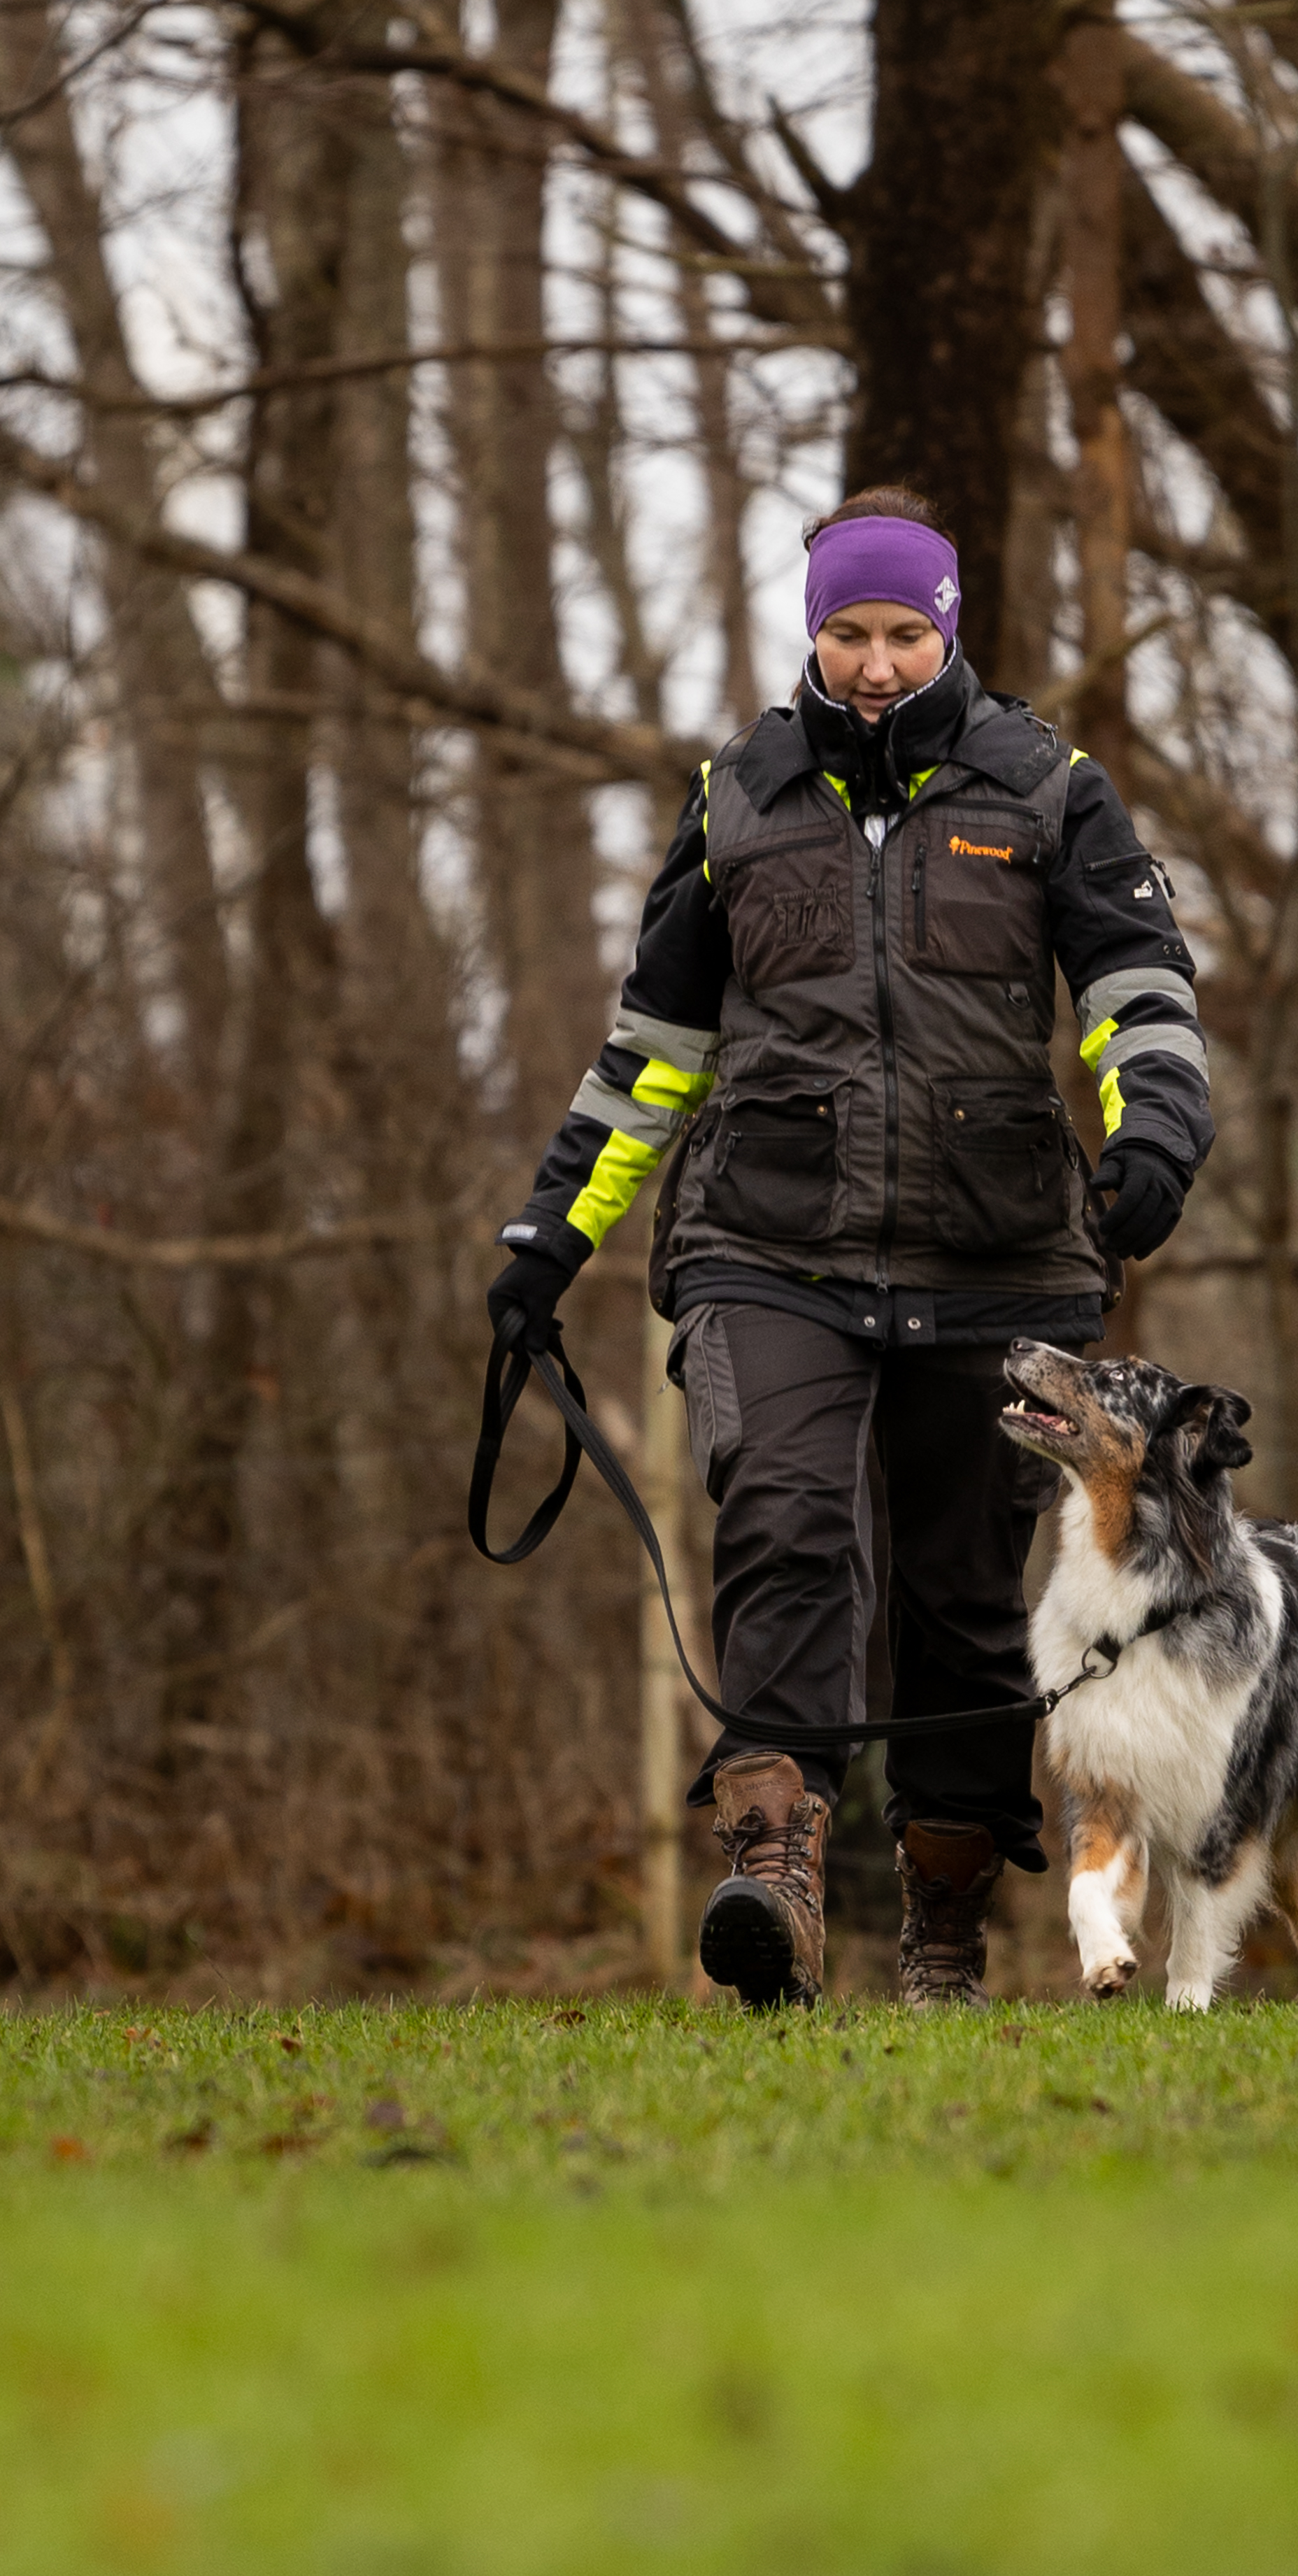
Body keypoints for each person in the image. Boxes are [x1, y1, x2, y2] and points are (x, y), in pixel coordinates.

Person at [488, 488, 1213, 2009]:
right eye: (844, 630)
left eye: (899, 631)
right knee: (786, 1525)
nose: (872, 662)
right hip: (769, 1239)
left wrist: (1152, 1131)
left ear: (944, 628)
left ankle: (943, 1927)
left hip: (997, 1253)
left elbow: (1136, 980)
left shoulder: (1046, 788)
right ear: (808, 632)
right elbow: (653, 1052)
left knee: (955, 1596)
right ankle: (774, 1871)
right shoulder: (736, 796)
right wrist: (555, 1229)